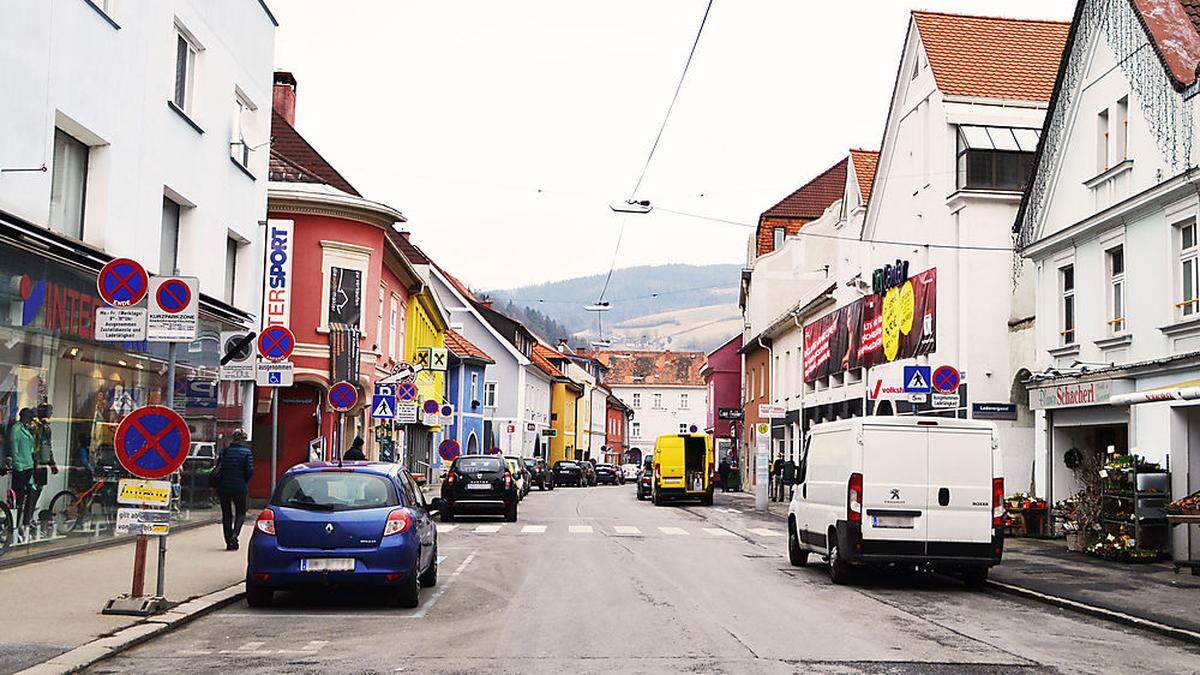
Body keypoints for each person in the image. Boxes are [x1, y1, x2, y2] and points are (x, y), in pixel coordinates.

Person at [215, 430, 254, 551]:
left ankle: (228, 541)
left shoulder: (225, 451)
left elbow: (219, 468)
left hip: (224, 487)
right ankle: (234, 535)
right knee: (241, 513)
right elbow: (250, 471)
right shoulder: (246, 453)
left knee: (226, 514)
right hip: (240, 487)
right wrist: (244, 480)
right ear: (243, 440)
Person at [9, 409, 38, 528]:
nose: (29, 418)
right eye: (28, 416)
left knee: (32, 492)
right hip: (20, 466)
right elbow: (14, 447)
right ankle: (15, 524)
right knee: (19, 497)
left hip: (28, 465)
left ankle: (26, 522)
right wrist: (17, 465)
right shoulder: (16, 429)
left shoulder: (26, 429)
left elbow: (31, 447)